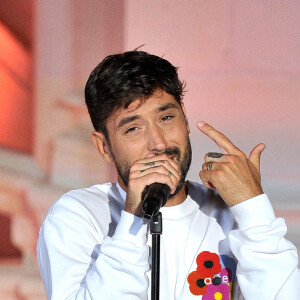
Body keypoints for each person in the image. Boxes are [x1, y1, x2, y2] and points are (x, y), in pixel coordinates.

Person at [37, 50, 300, 300]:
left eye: (166, 118)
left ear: (185, 119)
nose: (159, 143)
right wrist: (133, 218)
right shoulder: (79, 216)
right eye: (133, 129)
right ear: (103, 146)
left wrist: (253, 207)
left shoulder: (227, 214)